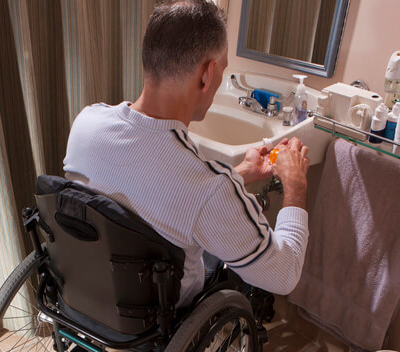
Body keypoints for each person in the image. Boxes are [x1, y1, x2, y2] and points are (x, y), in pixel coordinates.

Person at [63, 0, 310, 307]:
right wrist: (296, 185)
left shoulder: (87, 122)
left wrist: (242, 173)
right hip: (158, 309)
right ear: (207, 73)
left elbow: (155, 189)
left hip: (89, 287)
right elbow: (284, 275)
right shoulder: (209, 187)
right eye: (223, 70)